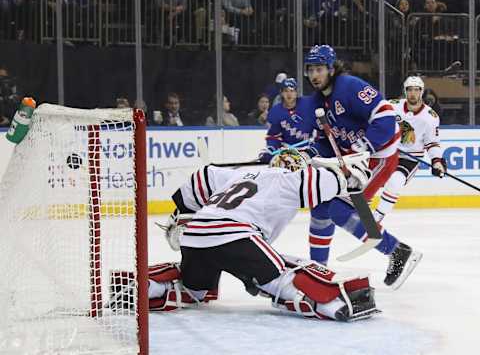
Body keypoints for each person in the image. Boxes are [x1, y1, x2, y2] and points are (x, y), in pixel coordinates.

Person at [119, 154, 379, 322]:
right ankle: (333, 304)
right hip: (237, 234)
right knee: (280, 277)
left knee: (193, 290)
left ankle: (138, 288)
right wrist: (352, 175)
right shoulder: (289, 179)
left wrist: (181, 214)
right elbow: (334, 180)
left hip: (195, 235)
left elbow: (199, 180)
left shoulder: (236, 174)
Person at [303, 45, 422, 290]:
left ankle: (397, 251)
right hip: (352, 159)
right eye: (310, 70)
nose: (314, 75)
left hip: (379, 156)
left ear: (331, 68)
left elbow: (386, 116)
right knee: (320, 208)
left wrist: (365, 145)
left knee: (339, 210)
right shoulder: (315, 101)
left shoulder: (349, 86)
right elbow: (325, 141)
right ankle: (320, 272)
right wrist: (310, 154)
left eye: (319, 69)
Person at [373, 77, 446, 223]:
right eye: (409, 89)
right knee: (366, 179)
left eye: (416, 90)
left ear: (421, 92)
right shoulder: (392, 106)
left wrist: (437, 161)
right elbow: (374, 117)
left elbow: (432, 143)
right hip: (387, 153)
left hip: (409, 159)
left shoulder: (430, 117)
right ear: (405, 91)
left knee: (395, 182)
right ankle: (359, 211)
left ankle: (376, 218)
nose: (413, 93)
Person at [258, 78, 318, 164]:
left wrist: (315, 144)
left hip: (307, 148)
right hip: (286, 151)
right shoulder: (275, 111)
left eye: (292, 91)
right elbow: (274, 136)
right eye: (286, 91)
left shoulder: (308, 104)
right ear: (281, 93)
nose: (289, 94)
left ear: (296, 92)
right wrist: (271, 149)